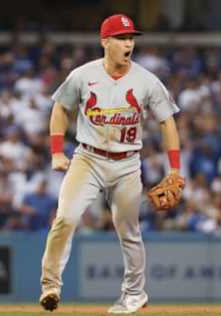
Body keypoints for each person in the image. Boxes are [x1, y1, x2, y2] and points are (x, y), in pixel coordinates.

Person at [39, 14, 182, 314]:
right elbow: (60, 109)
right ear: (105, 42)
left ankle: (134, 294)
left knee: (128, 230)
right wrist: (56, 151)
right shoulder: (82, 75)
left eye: (131, 38)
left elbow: (168, 123)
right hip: (87, 158)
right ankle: (51, 286)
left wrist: (175, 169)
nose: (128, 43)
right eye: (121, 38)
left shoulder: (146, 80)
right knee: (65, 219)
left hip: (128, 163)